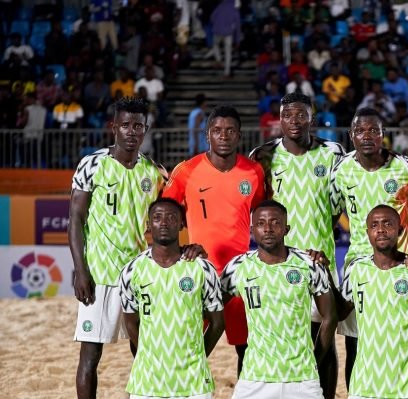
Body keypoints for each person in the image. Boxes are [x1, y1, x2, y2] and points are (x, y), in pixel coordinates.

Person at [69, 97, 194, 399]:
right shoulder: (92, 164)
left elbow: (173, 218)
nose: (131, 131)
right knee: (90, 356)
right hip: (99, 276)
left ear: (146, 129)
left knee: (144, 351)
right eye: (125, 124)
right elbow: (75, 219)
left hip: (140, 277)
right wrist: (80, 270)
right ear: (114, 127)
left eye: (138, 125)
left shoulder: (154, 172)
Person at [250, 92, 344, 398]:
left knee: (325, 340)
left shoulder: (332, 153)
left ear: (312, 117)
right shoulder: (263, 156)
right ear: (279, 119)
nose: (295, 121)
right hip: (279, 264)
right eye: (288, 115)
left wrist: (318, 240)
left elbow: (336, 208)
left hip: (322, 260)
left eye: (301, 114)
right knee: (285, 337)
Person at [163, 105, 265, 375]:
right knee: (192, 343)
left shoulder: (254, 172)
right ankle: (186, 387)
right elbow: (163, 214)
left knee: (246, 347)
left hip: (240, 274)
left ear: (239, 135)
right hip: (199, 271)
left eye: (230, 131)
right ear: (208, 135)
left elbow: (264, 215)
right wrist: (179, 251)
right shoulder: (187, 170)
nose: (224, 136)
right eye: (217, 130)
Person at [331, 108, 408, 387]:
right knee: (355, 343)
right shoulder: (341, 169)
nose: (367, 136)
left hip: (404, 266)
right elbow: (333, 212)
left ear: (384, 134)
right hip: (358, 267)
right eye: (360, 130)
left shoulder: (407, 167)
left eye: (374, 130)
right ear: (351, 135)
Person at [221, 200, 337, 399]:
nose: (267, 228)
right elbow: (211, 307)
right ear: (252, 229)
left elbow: (330, 317)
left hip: (302, 378)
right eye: (261, 223)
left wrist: (314, 360)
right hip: (255, 377)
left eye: (275, 222)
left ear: (286, 229)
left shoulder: (309, 263)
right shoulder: (238, 267)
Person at [337, 205, 408, 399]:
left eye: (387, 224)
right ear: (367, 233)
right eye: (374, 225)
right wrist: (321, 272)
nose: (380, 229)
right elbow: (338, 312)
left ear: (401, 230)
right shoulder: (356, 269)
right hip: (365, 387)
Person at [119, 198, 225, 398]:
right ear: (149, 225)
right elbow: (131, 323)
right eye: (157, 218)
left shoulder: (202, 268)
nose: (164, 223)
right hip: (147, 379)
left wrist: (198, 356)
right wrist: (148, 355)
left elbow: (218, 322)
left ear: (181, 223)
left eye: (171, 217)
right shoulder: (131, 271)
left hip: (194, 379)